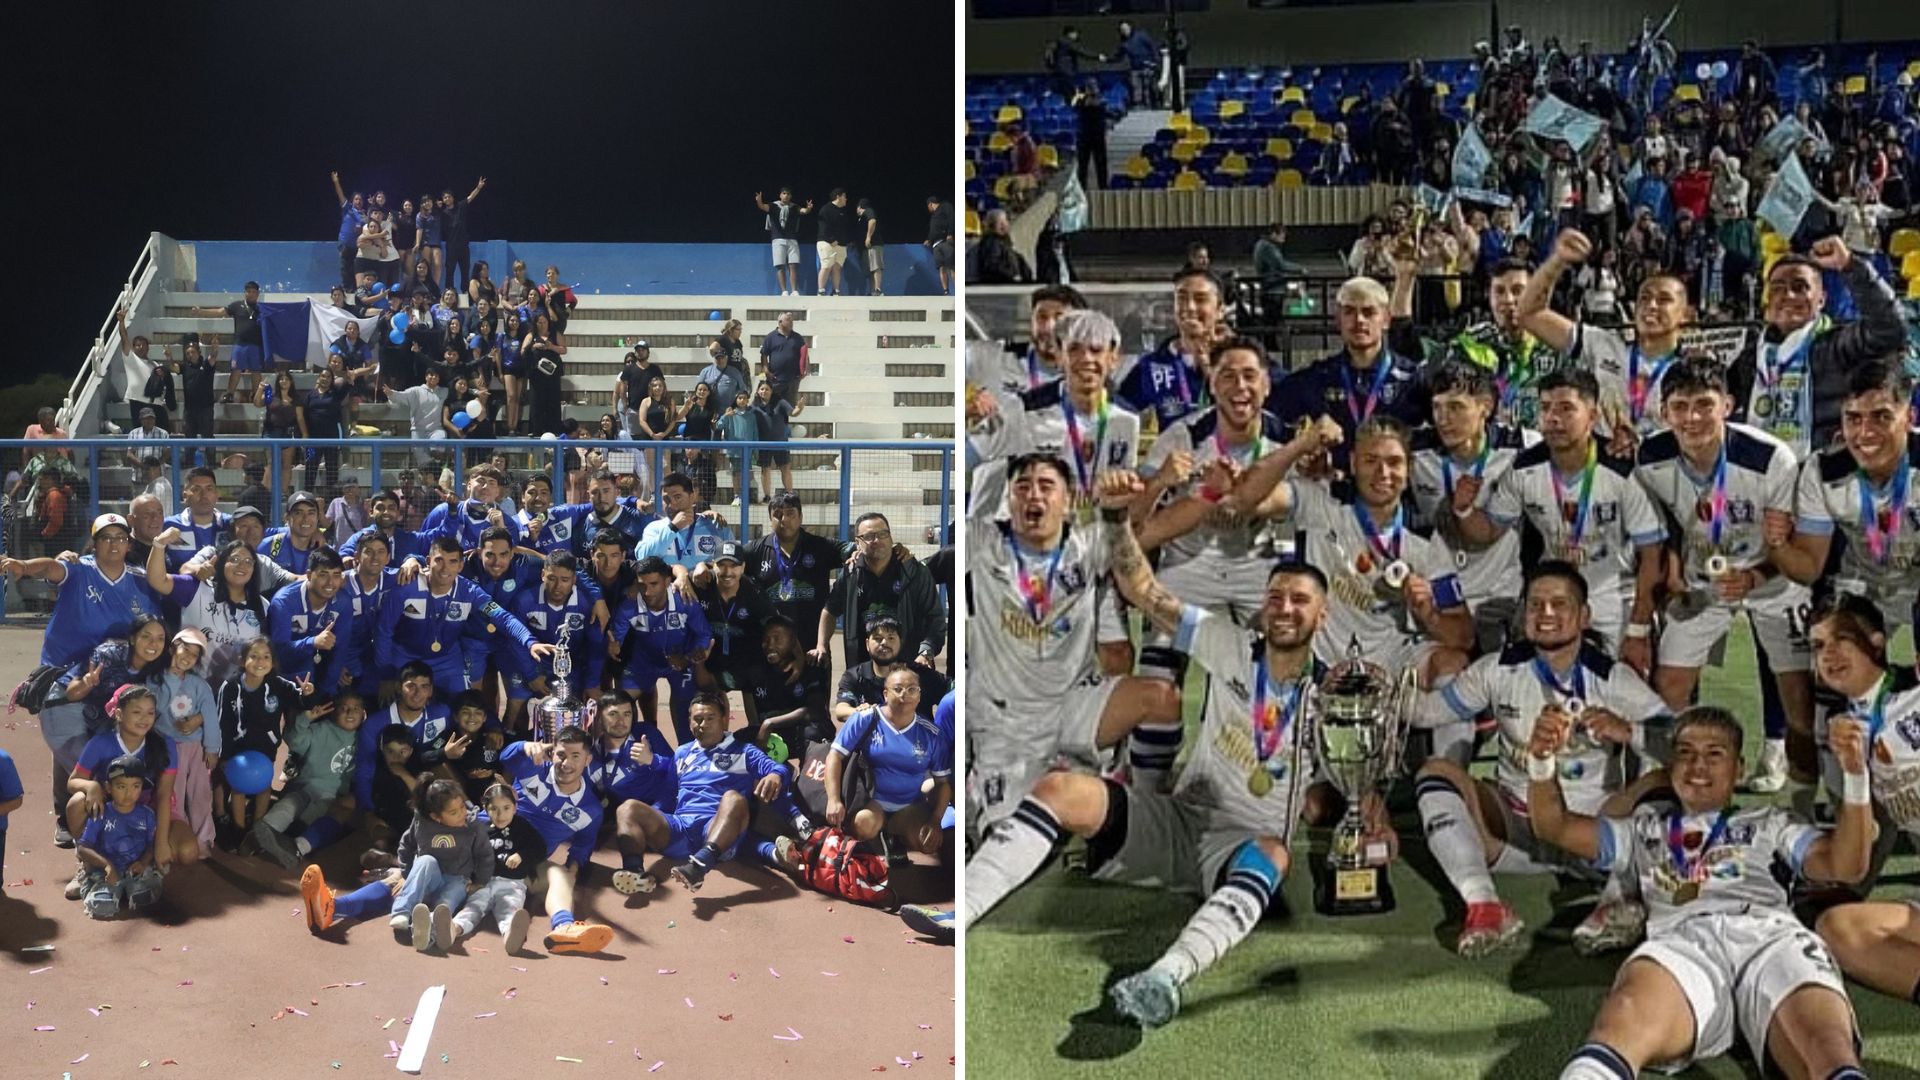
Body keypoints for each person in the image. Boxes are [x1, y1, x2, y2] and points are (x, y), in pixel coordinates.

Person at [1528, 706, 1874, 1079]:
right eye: (1685, 753)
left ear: (1739, 769)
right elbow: (1555, 826)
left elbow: (1846, 865)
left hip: (1769, 938)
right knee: (1622, 1016)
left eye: (1714, 754)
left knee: (1826, 1045)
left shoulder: (1770, 823)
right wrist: (1541, 761)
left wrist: (1855, 777)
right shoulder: (1644, 829)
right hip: (1682, 945)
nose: (1697, 766)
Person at [1415, 564, 1672, 957]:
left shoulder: (1613, 678)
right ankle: (1485, 905)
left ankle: (1616, 900)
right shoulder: (1497, 668)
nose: (1546, 614)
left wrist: (1629, 732)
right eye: (1535, 604)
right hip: (1516, 830)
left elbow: (1684, 744)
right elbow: (1429, 713)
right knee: (1436, 774)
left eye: (1559, 604)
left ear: (1584, 616)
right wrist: (1373, 692)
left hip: (1591, 834)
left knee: (1663, 784)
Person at [1635, 358, 1814, 795]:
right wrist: (1674, 574)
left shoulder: (1772, 458)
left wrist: (1756, 576)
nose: (1692, 418)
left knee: (1800, 705)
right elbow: (1663, 527)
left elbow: (1793, 539)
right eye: (1679, 406)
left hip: (1774, 582)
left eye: (1703, 405)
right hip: (1703, 582)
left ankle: (1805, 799)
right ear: (1664, 412)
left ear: (1728, 406)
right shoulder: (1650, 457)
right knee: (1669, 686)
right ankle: (1658, 791)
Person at [1454, 369, 1667, 665]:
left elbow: (1652, 556)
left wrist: (1639, 628)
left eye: (1566, 409)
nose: (1552, 418)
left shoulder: (1622, 470)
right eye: (1545, 408)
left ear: (1592, 417)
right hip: (1552, 593)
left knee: (1624, 692)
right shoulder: (1524, 469)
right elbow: (1488, 531)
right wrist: (1464, 510)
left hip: (1614, 598)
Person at [1805, 598, 1920, 1007]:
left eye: (1841, 640)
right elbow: (1861, 848)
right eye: (1818, 646)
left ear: (1875, 642)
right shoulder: (1842, 727)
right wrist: (1854, 772)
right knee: (1837, 928)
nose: (1829, 654)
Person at [1771, 361, 1918, 648]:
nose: (1865, 432)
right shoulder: (1824, 470)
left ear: (1910, 417)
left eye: (1882, 417)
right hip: (1865, 585)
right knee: (1835, 654)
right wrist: (1777, 544)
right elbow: (1809, 568)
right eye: (1853, 419)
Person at [1726, 238, 1905, 460]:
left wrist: (1849, 265)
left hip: (1825, 478)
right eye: (1778, 288)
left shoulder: (1838, 344)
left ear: (1821, 300)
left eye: (1800, 287)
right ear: (1768, 299)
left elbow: (1890, 329)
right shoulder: (1752, 356)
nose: (1788, 295)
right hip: (1763, 479)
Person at [606, 691, 794, 894]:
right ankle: (634, 873)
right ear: (689, 723)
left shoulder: (744, 751)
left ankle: (699, 866)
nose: (702, 724)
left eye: (710, 718)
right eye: (697, 719)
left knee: (733, 799)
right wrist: (651, 819)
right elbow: (669, 795)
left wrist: (776, 775)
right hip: (680, 828)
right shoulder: (682, 753)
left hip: (716, 830)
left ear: (724, 720)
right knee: (627, 808)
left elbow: (780, 769)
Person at [1518, 228, 1694, 441]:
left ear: (1686, 316)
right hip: (1603, 467)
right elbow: (1530, 314)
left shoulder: (1690, 372)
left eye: (1664, 300)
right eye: (1644, 298)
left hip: (1661, 470)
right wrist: (1557, 261)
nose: (1651, 306)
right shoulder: (1601, 344)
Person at [1270, 277, 1427, 470]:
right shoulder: (1317, 377)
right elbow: (1270, 416)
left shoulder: (1412, 379)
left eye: (1369, 312)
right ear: (1338, 319)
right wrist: (1302, 450)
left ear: (1386, 319)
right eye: (1350, 312)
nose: (1359, 320)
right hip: (1334, 492)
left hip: (1392, 489)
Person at [375, 535, 553, 698]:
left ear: (461, 566)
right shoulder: (406, 588)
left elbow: (502, 617)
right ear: (429, 561)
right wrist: (385, 675)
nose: (445, 568)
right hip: (405, 657)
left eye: (453, 562)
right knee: (396, 705)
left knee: (464, 707)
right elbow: (384, 631)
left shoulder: (469, 591)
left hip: (446, 660)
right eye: (439, 560)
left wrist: (530, 642)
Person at [65, 682, 201, 895]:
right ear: (118, 714)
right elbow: (73, 781)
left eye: (150, 712)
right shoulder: (101, 742)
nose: (144, 718)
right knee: (77, 802)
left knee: (189, 852)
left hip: (148, 808)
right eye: (136, 712)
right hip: (113, 807)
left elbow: (164, 794)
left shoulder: (164, 744)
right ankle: (90, 864)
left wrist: (162, 842)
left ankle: (142, 860)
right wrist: (91, 786)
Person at [494, 725, 613, 953]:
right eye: (561, 754)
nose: (566, 763)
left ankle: (564, 928)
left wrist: (572, 874)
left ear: (587, 760)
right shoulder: (534, 769)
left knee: (561, 875)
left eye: (575, 756)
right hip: (486, 845)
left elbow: (582, 847)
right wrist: (525, 745)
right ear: (551, 752)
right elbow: (506, 756)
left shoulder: (591, 810)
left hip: (526, 862)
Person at [827, 667, 950, 858]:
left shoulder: (931, 733)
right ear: (885, 694)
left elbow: (943, 784)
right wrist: (833, 800)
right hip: (871, 801)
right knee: (863, 826)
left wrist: (935, 820)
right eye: (898, 689)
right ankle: (876, 838)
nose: (905, 695)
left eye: (912, 689)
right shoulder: (865, 718)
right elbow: (834, 756)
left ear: (919, 696)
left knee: (928, 844)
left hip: (909, 804)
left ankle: (893, 835)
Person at [249, 689, 362, 870]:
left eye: (356, 708)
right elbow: (295, 741)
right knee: (290, 804)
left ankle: (290, 847)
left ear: (363, 714)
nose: (350, 713)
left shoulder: (362, 738)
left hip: (332, 795)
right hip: (306, 785)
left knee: (316, 817)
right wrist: (305, 719)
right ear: (334, 711)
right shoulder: (321, 730)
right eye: (344, 708)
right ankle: (264, 830)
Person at [1113, 267, 1229, 434]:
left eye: (1200, 299)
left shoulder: (1241, 363)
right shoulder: (1151, 366)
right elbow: (1118, 416)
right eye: (1181, 298)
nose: (1189, 307)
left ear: (1220, 310)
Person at [611, 556, 713, 744]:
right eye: (642, 585)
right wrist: (613, 645)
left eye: (654, 584)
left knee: (685, 703)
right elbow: (615, 638)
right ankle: (625, 751)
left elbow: (704, 635)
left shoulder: (685, 600)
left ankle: (687, 752)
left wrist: (690, 657)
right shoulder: (628, 606)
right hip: (642, 664)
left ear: (667, 581)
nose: (647, 592)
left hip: (680, 662)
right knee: (617, 704)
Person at [824, 512, 945, 670]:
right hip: (863, 670)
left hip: (907, 671)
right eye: (869, 536)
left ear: (891, 537)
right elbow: (830, 610)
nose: (877, 540)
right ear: (857, 542)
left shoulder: (914, 572)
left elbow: (935, 620)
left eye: (883, 534)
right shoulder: (851, 573)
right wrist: (821, 644)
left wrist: (925, 652)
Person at [587, 691, 677, 893]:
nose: (621, 721)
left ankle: (633, 868)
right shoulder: (591, 750)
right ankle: (634, 873)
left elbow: (679, 771)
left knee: (628, 811)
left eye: (627, 714)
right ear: (600, 717)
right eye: (613, 714)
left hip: (664, 812)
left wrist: (653, 760)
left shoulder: (645, 735)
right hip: (626, 818)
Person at [150, 626, 221, 858]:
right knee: (174, 795)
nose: (187, 657)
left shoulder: (200, 685)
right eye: (184, 649)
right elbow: (155, 710)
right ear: (173, 648)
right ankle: (176, 837)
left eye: (194, 654)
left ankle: (204, 839)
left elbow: (210, 716)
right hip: (169, 748)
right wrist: (170, 678)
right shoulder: (155, 680)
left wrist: (211, 748)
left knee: (200, 793)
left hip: (196, 748)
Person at [74, 753, 166, 920]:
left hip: (134, 870)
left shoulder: (147, 815)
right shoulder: (100, 813)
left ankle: (130, 887)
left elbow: (151, 845)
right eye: (121, 786)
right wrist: (107, 865)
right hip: (105, 871)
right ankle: (97, 886)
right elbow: (83, 848)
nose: (129, 793)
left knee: (145, 897)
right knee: (101, 907)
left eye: (135, 786)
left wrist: (143, 862)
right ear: (108, 788)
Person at [451, 782, 538, 953]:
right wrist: (471, 878)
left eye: (506, 808)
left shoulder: (523, 827)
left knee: (510, 910)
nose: (500, 814)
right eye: (494, 809)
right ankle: (453, 929)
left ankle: (510, 936)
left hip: (512, 883)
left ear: (515, 807)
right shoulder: (480, 829)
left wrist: (521, 855)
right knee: (473, 907)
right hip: (484, 882)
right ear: (486, 808)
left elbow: (538, 848)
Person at [835, 616, 950, 723]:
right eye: (878, 638)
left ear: (900, 642)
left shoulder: (920, 674)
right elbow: (841, 710)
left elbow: (954, 692)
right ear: (867, 644)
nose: (884, 643)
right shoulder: (854, 676)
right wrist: (861, 712)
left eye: (891, 638)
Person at [190, 281, 264, 406]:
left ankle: (256, 395)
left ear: (257, 294)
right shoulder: (236, 306)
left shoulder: (262, 309)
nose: (251, 294)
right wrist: (201, 311)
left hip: (256, 345)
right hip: (240, 344)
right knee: (236, 369)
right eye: (248, 291)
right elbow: (220, 312)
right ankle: (229, 393)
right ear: (244, 293)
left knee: (256, 370)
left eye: (253, 292)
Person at [754, 188, 811, 296]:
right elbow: (762, 207)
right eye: (784, 193)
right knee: (780, 265)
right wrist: (759, 200)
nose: (786, 196)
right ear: (780, 195)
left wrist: (808, 208)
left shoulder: (794, 207)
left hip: (792, 239)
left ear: (791, 196)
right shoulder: (773, 206)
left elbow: (803, 211)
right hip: (778, 239)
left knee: (793, 265)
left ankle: (794, 291)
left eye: (788, 194)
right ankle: (784, 291)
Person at [750, 380, 802, 496]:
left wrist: (800, 408)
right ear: (758, 391)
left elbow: (793, 413)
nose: (764, 391)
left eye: (767, 389)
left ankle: (789, 493)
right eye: (762, 389)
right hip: (763, 444)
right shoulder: (753, 407)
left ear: (772, 391)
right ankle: (767, 496)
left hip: (781, 443)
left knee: (785, 468)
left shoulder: (780, 402)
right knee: (765, 470)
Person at [438, 179, 485, 292]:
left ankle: (465, 293)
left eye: (449, 196)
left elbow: (470, 197)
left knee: (465, 272)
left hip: (463, 246)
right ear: (443, 200)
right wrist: (437, 207)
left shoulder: (460, 206)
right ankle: (449, 293)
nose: (447, 199)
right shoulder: (442, 213)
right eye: (445, 197)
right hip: (451, 247)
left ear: (453, 198)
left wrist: (478, 187)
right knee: (450, 272)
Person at [758, 312, 807, 410]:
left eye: (792, 320)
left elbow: (804, 354)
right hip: (775, 380)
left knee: (788, 409)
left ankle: (784, 425)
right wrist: (766, 371)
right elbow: (764, 355)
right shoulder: (771, 337)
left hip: (792, 380)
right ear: (780, 322)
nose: (792, 322)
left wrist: (805, 369)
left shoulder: (798, 338)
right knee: (772, 407)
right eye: (788, 320)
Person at [814, 188, 855, 297]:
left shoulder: (843, 212)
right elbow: (823, 227)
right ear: (838, 196)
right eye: (844, 196)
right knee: (826, 265)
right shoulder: (826, 209)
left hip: (841, 245)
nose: (846, 199)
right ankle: (821, 290)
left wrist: (847, 242)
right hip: (826, 243)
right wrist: (831, 240)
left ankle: (836, 291)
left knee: (837, 267)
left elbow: (844, 229)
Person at [698, 338, 750, 416]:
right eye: (717, 358)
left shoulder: (734, 372)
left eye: (722, 357)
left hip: (729, 412)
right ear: (714, 358)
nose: (720, 360)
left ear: (727, 357)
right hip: (709, 411)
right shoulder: (705, 372)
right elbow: (698, 391)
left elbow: (742, 390)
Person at [925, 195, 955, 294]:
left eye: (928, 207)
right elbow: (933, 230)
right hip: (936, 245)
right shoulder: (933, 217)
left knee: (952, 266)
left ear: (930, 204)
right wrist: (929, 240)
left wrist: (950, 233)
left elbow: (952, 218)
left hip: (945, 241)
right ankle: (946, 290)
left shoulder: (945, 206)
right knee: (941, 268)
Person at [857, 198, 884, 295]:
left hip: (874, 244)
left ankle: (877, 289)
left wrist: (868, 237)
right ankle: (873, 291)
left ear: (860, 207)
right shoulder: (861, 218)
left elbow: (872, 221)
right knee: (870, 270)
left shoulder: (868, 211)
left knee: (876, 266)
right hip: (866, 247)